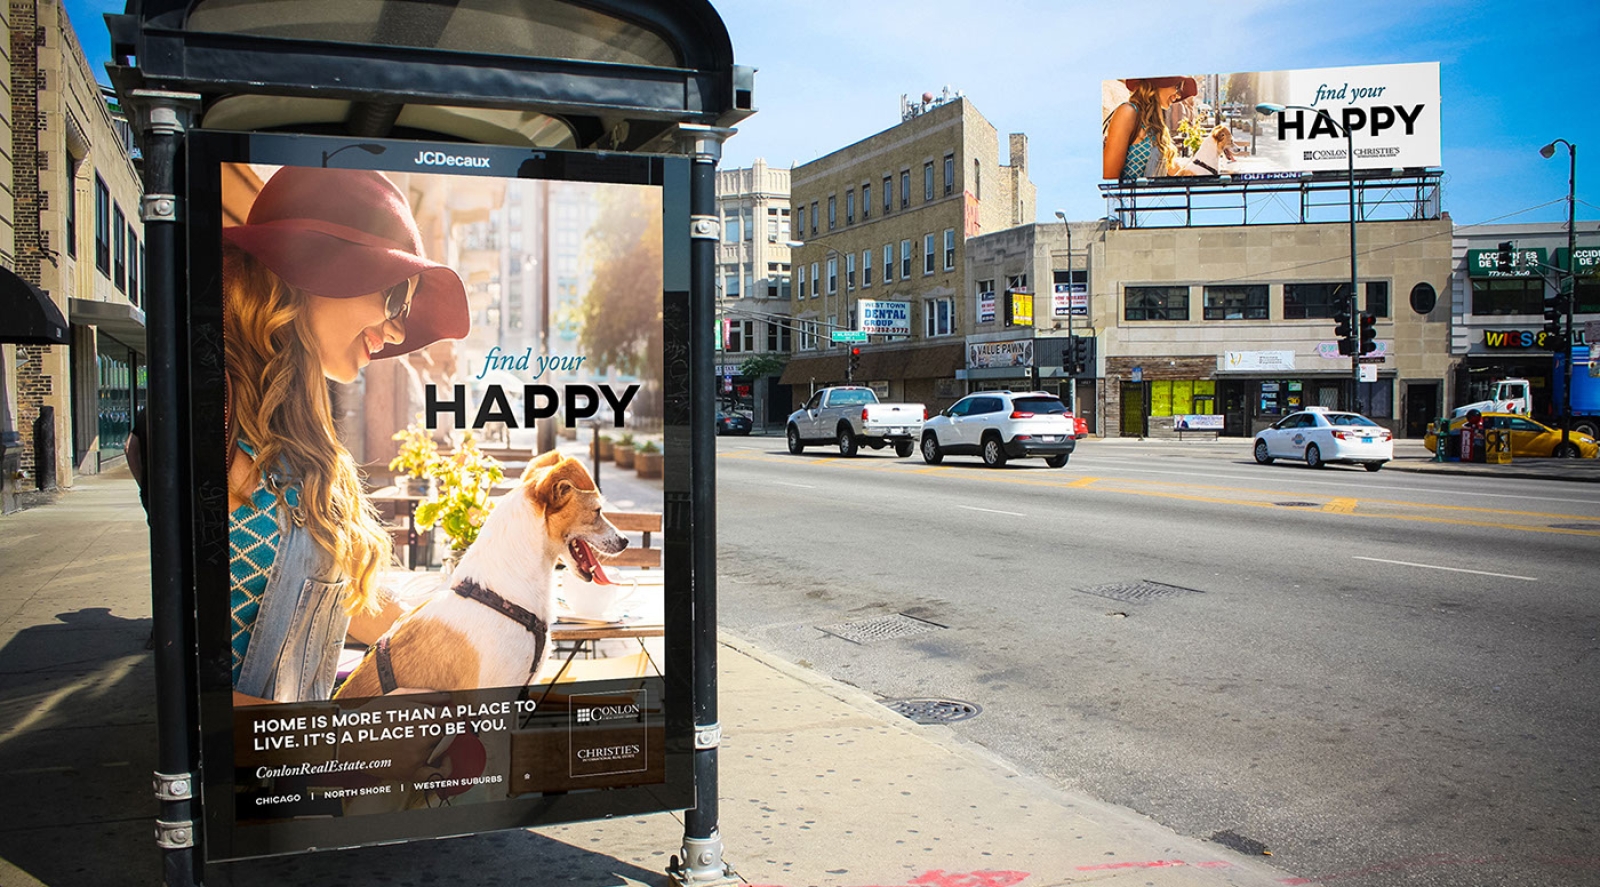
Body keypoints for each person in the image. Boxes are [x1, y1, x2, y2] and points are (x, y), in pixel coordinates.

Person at [222, 166, 468, 705]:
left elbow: (352, 604)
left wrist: (467, 637)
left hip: (304, 771)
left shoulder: (302, 437)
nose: (399, 329)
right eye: (394, 297)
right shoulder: (212, 425)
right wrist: (328, 743)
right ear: (313, 270)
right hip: (260, 772)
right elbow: (191, 686)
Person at [1103, 76, 1200, 180]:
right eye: (1177, 87)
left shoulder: (1156, 125)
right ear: (1159, 82)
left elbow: (1167, 168)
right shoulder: (1128, 112)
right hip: (1131, 196)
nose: (1178, 95)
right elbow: (1109, 179)